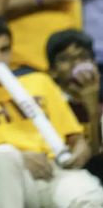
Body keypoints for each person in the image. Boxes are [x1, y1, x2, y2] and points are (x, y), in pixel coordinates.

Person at [0, 14, 103, 208]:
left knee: (90, 198)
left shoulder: (39, 81)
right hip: (5, 176)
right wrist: (20, 159)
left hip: (54, 171)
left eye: (4, 50)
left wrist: (80, 149)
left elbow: (74, 137)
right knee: (2, 155)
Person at [46, 30, 101, 158]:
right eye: (65, 59)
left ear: (94, 64)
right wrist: (92, 112)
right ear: (52, 71)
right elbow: (83, 159)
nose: (76, 64)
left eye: (83, 57)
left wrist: (94, 111)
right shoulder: (49, 106)